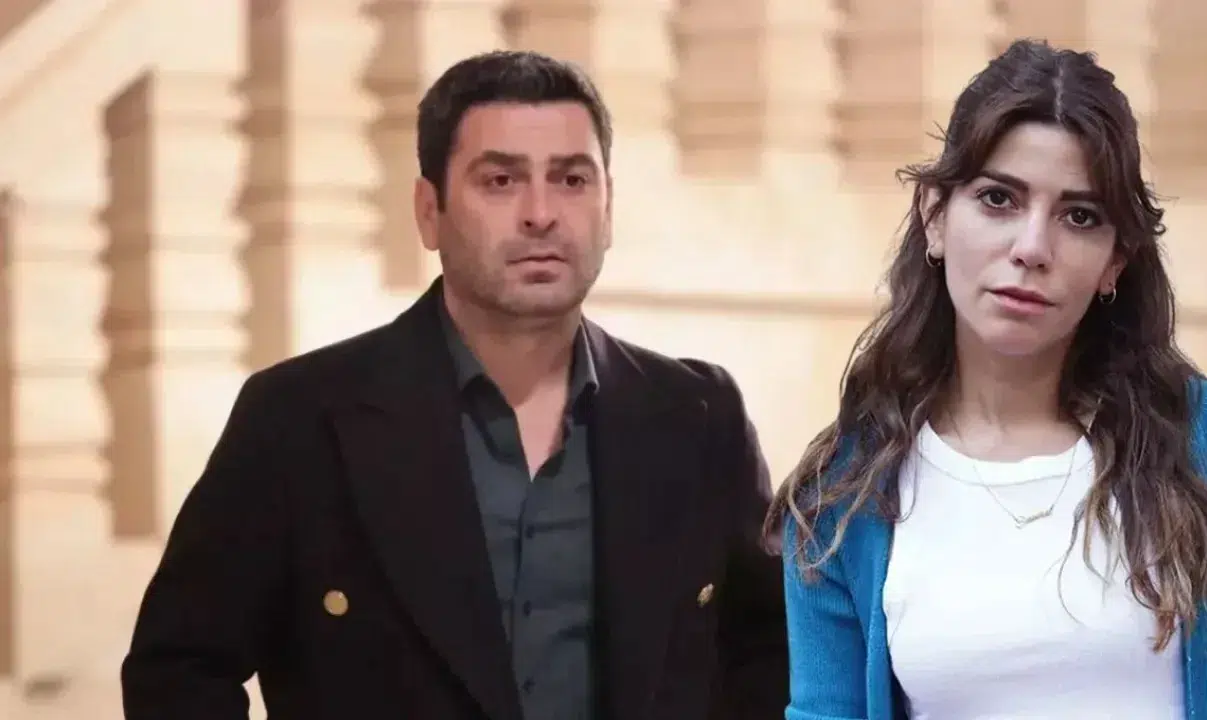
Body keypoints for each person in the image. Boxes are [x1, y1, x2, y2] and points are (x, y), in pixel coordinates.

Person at [121, 50, 788, 720]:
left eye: (571, 179)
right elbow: (178, 669)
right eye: (500, 180)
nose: (541, 213)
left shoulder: (700, 416)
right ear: (428, 211)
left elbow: (774, 658)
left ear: (607, 208)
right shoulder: (298, 419)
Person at [768, 38, 1207, 720]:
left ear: (1116, 261)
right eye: (998, 199)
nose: (1032, 248)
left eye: (1079, 216)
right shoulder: (842, 494)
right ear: (934, 216)